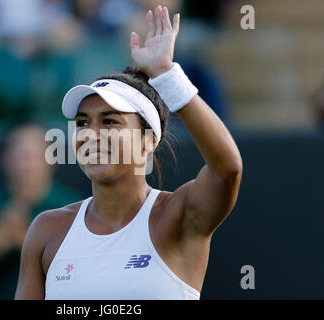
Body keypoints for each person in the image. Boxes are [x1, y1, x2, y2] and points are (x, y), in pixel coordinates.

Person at [15, 5, 242, 300]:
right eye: (83, 122)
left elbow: (227, 169)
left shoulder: (178, 214)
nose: (91, 135)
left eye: (109, 122)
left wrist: (167, 76)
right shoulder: (46, 229)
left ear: (148, 141)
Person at [0, 123, 83, 299]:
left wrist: (26, 241)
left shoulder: (73, 206)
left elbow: (85, 274)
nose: (26, 163)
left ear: (52, 159)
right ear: (4, 159)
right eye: (19, 154)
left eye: (33, 154)